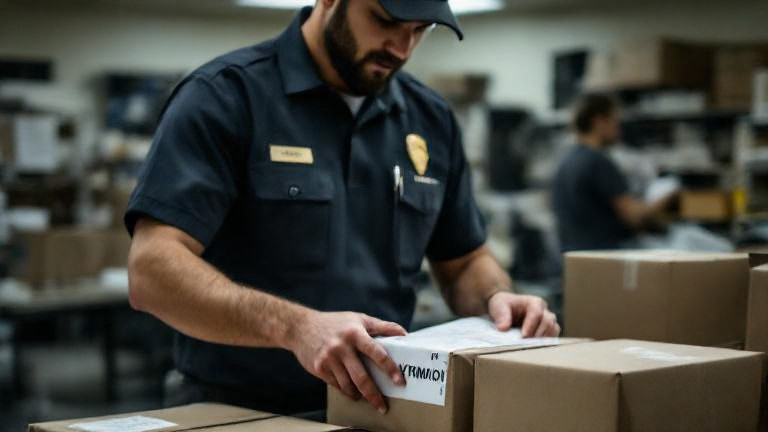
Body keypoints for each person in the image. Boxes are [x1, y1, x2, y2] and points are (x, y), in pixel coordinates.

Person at [125, 0, 560, 418]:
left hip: (383, 408)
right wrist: (296, 327)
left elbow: (464, 261)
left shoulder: (430, 119)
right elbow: (152, 271)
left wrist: (496, 298)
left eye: (419, 31)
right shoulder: (225, 97)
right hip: (238, 411)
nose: (401, 47)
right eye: (385, 20)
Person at [552, 93, 676, 252]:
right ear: (599, 121)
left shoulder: (565, 161)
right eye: (615, 121)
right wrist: (667, 197)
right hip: (605, 255)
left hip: (575, 257)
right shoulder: (598, 162)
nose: (619, 129)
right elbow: (633, 216)